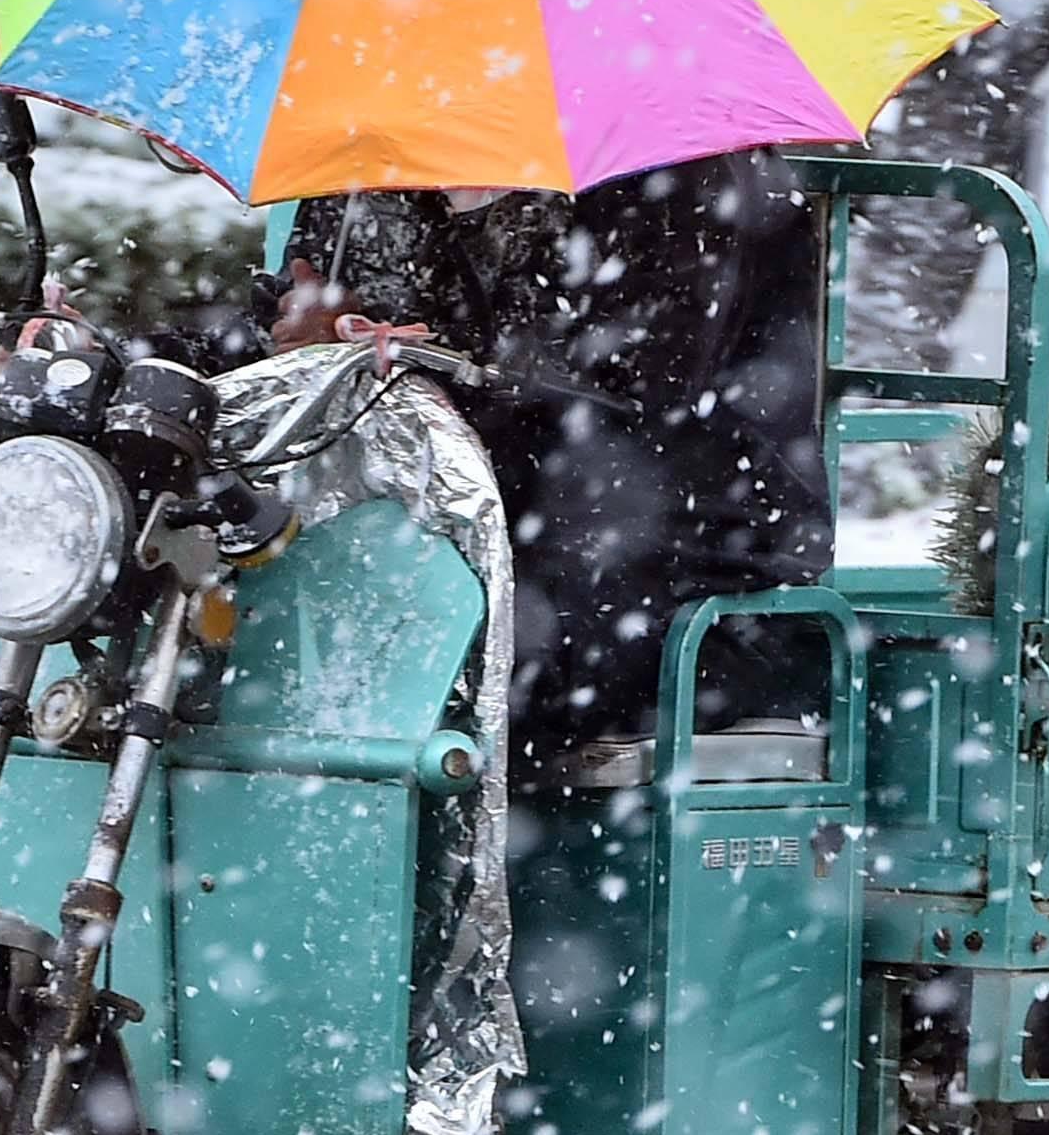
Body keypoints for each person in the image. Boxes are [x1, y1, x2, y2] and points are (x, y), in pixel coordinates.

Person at [258, 158, 829, 769]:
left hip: (678, 543)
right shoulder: (383, 150)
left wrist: (424, 360)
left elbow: (646, 382)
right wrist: (296, 329)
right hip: (454, 526)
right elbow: (298, 311)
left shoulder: (672, 172)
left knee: (460, 680)